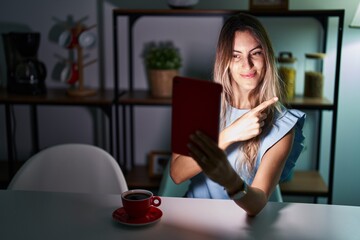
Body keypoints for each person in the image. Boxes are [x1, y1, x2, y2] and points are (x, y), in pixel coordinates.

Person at [170, 13, 306, 216]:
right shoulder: (199, 104)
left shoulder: (283, 125)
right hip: (192, 217)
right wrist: (230, 134)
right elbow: (177, 173)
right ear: (225, 61)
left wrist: (230, 181)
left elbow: (257, 203)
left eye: (256, 53)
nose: (247, 65)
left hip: (242, 224)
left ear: (266, 57)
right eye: (236, 55)